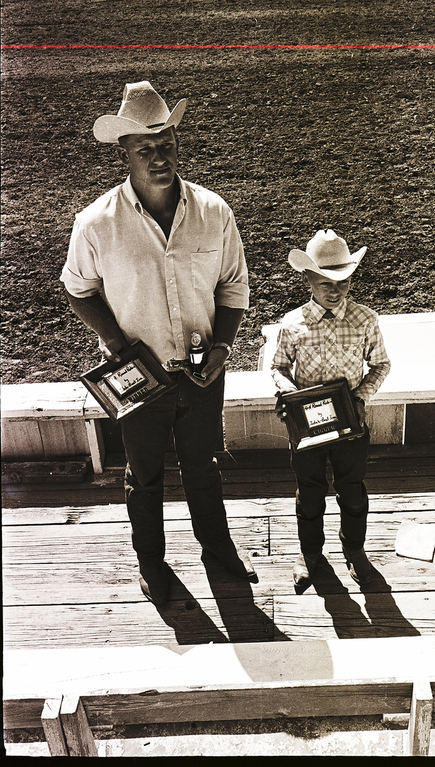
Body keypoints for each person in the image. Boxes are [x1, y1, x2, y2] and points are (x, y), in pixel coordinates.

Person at [61, 80, 257, 606]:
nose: (158, 157)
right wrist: (115, 342)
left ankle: (218, 550)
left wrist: (222, 349)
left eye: (165, 144)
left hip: (201, 372)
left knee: (203, 466)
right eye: (144, 148)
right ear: (124, 152)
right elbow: (77, 289)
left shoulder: (214, 211)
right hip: (136, 378)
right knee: (143, 475)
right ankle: (151, 560)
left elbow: (233, 287)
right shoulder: (96, 223)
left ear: (177, 142)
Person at [270, 229, 391, 591]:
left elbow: (381, 365)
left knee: (352, 490)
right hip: (308, 426)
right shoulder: (292, 323)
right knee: (309, 492)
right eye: (325, 282)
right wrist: (291, 395)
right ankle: (310, 554)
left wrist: (360, 398)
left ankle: (354, 549)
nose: (335, 290)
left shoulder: (365, 320)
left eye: (343, 281)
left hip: (350, 424)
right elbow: (278, 367)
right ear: (307, 279)